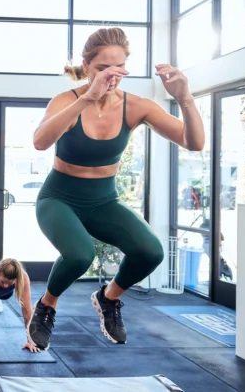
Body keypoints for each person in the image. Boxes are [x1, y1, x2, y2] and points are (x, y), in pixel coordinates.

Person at [29, 27, 205, 349]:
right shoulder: (66, 101)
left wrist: (184, 98)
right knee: (80, 255)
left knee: (151, 251)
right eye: (102, 68)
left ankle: (108, 298)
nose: (111, 76)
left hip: (103, 200)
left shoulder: (137, 106)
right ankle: (47, 305)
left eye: (119, 68)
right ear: (86, 65)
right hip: (59, 198)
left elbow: (194, 142)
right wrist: (87, 98)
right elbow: (40, 141)